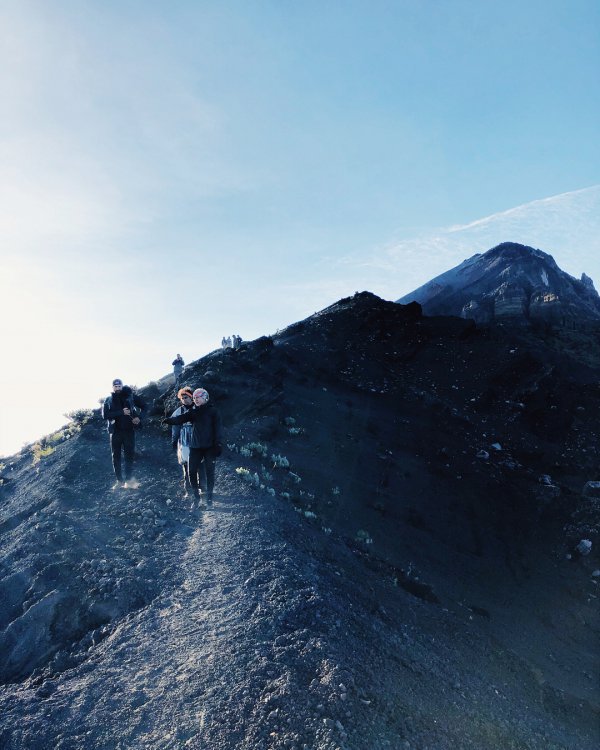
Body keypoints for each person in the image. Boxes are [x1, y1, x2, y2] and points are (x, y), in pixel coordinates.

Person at [164, 387, 222, 508]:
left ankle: (209, 499)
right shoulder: (193, 412)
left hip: (209, 447)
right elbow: (181, 419)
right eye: (194, 398)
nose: (195, 399)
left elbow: (218, 430)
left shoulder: (213, 412)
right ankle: (196, 498)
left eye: (197, 397)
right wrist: (168, 421)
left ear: (205, 397)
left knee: (209, 472)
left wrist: (218, 444)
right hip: (194, 447)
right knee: (191, 471)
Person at [102, 378, 146, 489]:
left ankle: (129, 480)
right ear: (112, 387)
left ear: (122, 386)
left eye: (119, 386)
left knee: (129, 456)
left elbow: (145, 406)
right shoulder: (108, 400)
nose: (117, 388)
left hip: (129, 431)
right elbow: (105, 415)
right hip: (115, 432)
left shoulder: (130, 396)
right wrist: (121, 412)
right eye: (115, 386)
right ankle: (119, 481)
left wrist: (139, 418)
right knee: (115, 457)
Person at [170, 386, 207, 498]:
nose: (184, 399)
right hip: (185, 442)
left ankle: (203, 488)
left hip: (199, 441)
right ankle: (189, 490)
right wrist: (174, 440)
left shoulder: (200, 409)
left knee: (201, 464)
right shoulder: (178, 412)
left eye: (186, 397)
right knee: (186, 466)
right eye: (182, 398)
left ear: (192, 397)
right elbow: (175, 427)